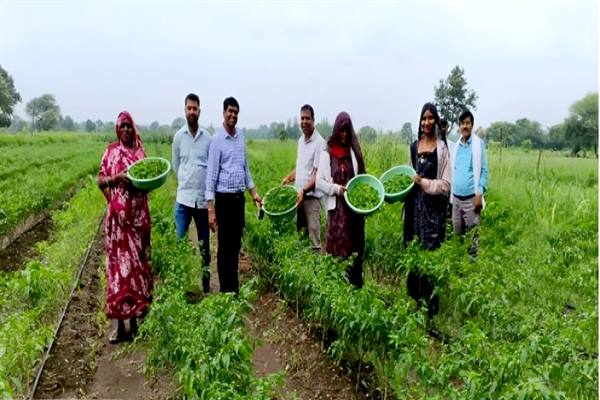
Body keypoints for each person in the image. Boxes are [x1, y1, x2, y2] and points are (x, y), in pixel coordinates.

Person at [97, 111, 153, 343]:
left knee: (136, 269)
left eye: (129, 126)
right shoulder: (111, 152)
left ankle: (135, 324)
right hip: (117, 224)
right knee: (118, 273)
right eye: (123, 126)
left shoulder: (140, 154)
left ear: (134, 128)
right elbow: (100, 180)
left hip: (137, 220)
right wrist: (115, 180)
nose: (127, 130)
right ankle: (120, 327)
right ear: (117, 130)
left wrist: (139, 186)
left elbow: (149, 182)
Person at [205, 97, 261, 293]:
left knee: (235, 246)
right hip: (224, 201)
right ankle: (225, 292)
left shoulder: (240, 138)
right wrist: (210, 209)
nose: (233, 115)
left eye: (236, 112)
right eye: (230, 111)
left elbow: (245, 171)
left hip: (238, 201)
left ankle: (233, 289)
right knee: (225, 248)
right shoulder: (217, 140)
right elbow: (211, 177)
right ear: (223, 113)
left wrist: (254, 194)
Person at [403, 103, 451, 318]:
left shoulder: (442, 149)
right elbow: (407, 177)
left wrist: (423, 183)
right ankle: (415, 304)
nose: (427, 122)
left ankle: (430, 311)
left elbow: (446, 184)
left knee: (429, 258)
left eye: (431, 118)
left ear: (436, 120)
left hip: (432, 214)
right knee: (414, 254)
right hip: (413, 211)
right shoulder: (414, 147)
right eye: (424, 118)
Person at [316, 112, 366, 288]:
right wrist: (337, 189)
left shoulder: (354, 152)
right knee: (338, 251)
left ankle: (355, 288)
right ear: (336, 130)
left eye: (347, 131)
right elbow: (319, 182)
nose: (344, 134)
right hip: (337, 212)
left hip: (354, 211)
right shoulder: (327, 153)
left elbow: (362, 179)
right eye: (341, 130)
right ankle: (337, 289)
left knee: (355, 250)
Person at [172, 93, 212, 293]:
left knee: (205, 247)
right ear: (185, 110)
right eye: (189, 108)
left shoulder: (208, 138)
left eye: (195, 108)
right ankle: (181, 286)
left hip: (202, 202)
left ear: (199, 111)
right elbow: (176, 166)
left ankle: (206, 288)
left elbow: (211, 169)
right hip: (183, 200)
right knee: (180, 242)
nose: (192, 112)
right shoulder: (179, 137)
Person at [281, 104, 326, 251]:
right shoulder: (301, 141)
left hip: (312, 199)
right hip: (299, 198)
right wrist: (288, 178)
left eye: (307, 118)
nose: (304, 122)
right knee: (301, 236)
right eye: (302, 118)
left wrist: (304, 191)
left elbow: (317, 174)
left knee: (314, 240)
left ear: (313, 120)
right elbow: (301, 168)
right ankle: (303, 265)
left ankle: (316, 265)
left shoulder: (320, 143)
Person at [450, 109, 488, 259]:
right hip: (456, 200)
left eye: (467, 123)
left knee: (472, 238)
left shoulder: (478, 145)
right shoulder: (456, 146)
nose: (465, 126)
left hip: (471, 199)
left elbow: (484, 171)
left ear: (472, 125)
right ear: (459, 126)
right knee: (457, 236)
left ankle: (472, 267)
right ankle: (459, 266)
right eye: (462, 123)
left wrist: (479, 192)